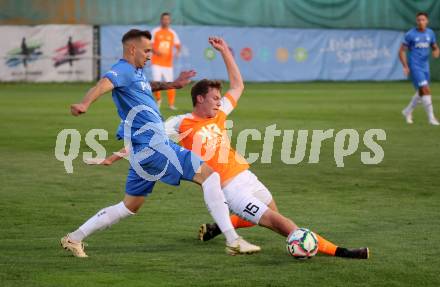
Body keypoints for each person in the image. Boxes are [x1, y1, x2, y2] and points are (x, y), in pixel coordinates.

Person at [90, 36, 369, 259]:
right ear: (200, 99)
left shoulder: (220, 113)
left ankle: (216, 228)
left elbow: (238, 84)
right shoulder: (181, 123)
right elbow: (148, 139)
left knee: (274, 214)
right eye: (214, 97)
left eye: (219, 98)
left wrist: (225, 51)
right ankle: (340, 251)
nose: (219, 101)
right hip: (228, 189)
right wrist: (115, 156)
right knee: (280, 223)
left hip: (247, 176)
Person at [61, 29, 260, 258]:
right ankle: (233, 240)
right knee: (210, 175)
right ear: (132, 49)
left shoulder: (134, 72)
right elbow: (104, 83)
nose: (150, 55)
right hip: (154, 146)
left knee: (129, 206)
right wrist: (85, 103)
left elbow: (146, 86)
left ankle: (74, 238)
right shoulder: (121, 70)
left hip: (141, 152)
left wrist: (172, 85)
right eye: (146, 50)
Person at [400, 12, 439, 125]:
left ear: (427, 21)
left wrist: (436, 51)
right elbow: (401, 51)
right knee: (426, 89)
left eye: (423, 20)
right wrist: (405, 66)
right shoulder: (410, 34)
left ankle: (407, 111)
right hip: (415, 66)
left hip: (425, 66)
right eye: (419, 20)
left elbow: (434, 47)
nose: (421, 22)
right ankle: (431, 118)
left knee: (421, 91)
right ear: (416, 21)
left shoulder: (430, 33)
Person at [151, 12, 181, 110]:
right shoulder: (155, 31)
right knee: (156, 83)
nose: (166, 21)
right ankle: (158, 100)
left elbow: (178, 45)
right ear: (161, 20)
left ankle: (171, 105)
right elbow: (149, 44)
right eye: (164, 19)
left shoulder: (172, 33)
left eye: (167, 19)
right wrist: (155, 51)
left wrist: (177, 52)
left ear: (170, 21)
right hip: (156, 62)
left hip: (168, 64)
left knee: (170, 84)